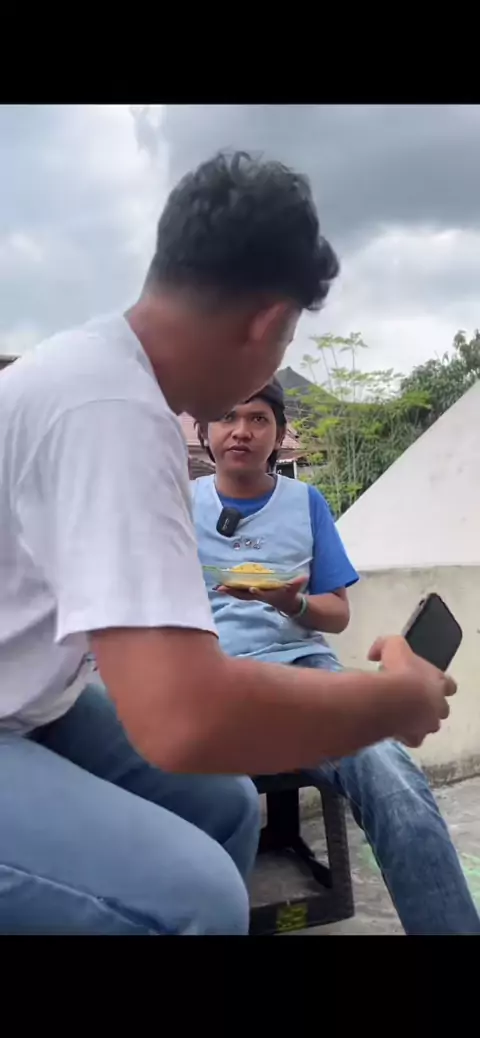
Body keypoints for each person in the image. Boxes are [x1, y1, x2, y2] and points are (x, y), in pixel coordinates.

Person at [0, 152, 456, 936]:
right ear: (268, 322)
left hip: (39, 697)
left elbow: (231, 667)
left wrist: (307, 626)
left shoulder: (101, 376)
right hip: (32, 709)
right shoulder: (113, 414)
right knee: (197, 898)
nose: (240, 426)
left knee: (227, 803)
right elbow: (183, 718)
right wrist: (396, 700)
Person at [191, 377, 480, 935]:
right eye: (227, 416)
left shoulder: (306, 503)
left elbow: (337, 614)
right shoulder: (178, 503)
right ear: (206, 430)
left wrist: (292, 601)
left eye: (258, 419)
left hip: (306, 673)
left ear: (278, 433)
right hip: (215, 681)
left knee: (391, 771)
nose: (241, 431)